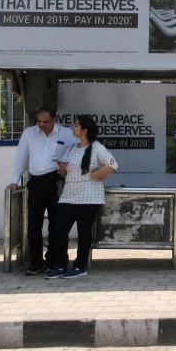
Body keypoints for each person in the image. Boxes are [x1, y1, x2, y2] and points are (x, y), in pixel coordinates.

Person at [8, 107, 79, 275]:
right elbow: (22, 157)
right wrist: (15, 180)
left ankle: (53, 260)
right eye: (39, 121)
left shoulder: (66, 134)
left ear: (55, 119)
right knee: (33, 224)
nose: (41, 124)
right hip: (36, 182)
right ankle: (36, 262)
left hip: (56, 181)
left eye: (45, 121)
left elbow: (77, 153)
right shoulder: (29, 133)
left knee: (56, 224)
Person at [46, 114, 117, 279]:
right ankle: (61, 264)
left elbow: (113, 164)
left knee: (83, 230)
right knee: (59, 228)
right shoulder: (71, 148)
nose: (73, 127)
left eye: (76, 125)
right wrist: (62, 168)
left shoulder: (96, 147)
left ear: (84, 130)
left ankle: (80, 266)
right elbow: (64, 174)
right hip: (69, 193)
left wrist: (96, 175)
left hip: (89, 195)